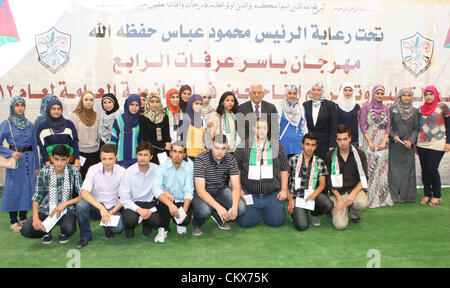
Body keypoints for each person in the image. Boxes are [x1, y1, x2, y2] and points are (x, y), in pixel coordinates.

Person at [21, 145, 82, 244]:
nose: (59, 163)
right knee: (26, 230)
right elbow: (37, 196)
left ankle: (63, 232)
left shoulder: (74, 171)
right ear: (52, 158)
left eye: (63, 160)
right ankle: (46, 231)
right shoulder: (44, 172)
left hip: (66, 210)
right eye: (56, 159)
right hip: (45, 210)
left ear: (68, 159)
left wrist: (65, 204)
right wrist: (35, 218)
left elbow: (82, 195)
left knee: (69, 228)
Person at [234, 118, 288, 228]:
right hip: (250, 193)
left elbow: (284, 168)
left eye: (264, 128)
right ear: (254, 129)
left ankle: (268, 208)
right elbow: (236, 170)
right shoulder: (243, 146)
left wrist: (283, 190)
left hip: (272, 194)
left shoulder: (277, 146)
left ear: (268, 129)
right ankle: (256, 210)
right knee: (245, 223)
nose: (261, 131)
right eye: (259, 127)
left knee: (276, 222)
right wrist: (238, 189)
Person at [192, 135, 247, 236]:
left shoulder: (231, 159)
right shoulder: (201, 159)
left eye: (223, 148)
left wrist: (234, 207)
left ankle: (216, 215)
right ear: (211, 146)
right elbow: (200, 190)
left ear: (227, 148)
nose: (220, 152)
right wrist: (219, 208)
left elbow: (236, 186)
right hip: (204, 191)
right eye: (217, 148)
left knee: (241, 208)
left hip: (221, 189)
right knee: (204, 211)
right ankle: (196, 223)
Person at [75, 144, 126, 248]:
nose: (107, 162)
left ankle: (108, 227)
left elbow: (124, 197)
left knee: (118, 228)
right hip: (96, 207)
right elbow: (84, 192)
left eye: (110, 158)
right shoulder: (93, 169)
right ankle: (85, 236)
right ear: (100, 158)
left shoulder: (122, 172)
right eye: (104, 159)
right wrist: (101, 208)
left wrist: (111, 211)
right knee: (81, 205)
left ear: (116, 157)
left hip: (113, 207)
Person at [0, 97, 39, 232]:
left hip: (30, 161)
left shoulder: (29, 124)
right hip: (16, 162)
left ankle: (23, 218)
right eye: (17, 105)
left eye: (22, 105)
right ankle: (13, 221)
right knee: (14, 190)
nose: (20, 108)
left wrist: (37, 167)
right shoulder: (7, 124)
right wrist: (9, 153)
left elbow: (35, 146)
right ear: (12, 107)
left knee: (27, 188)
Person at [325, 125, 369, 230]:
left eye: (345, 139)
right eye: (339, 140)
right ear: (336, 140)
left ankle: (354, 214)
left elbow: (364, 178)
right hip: (338, 194)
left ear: (350, 138)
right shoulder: (329, 156)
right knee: (340, 226)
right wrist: (339, 199)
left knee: (362, 203)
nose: (343, 142)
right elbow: (329, 182)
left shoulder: (360, 154)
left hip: (354, 192)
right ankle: (340, 210)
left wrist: (353, 194)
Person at [287, 132, 333, 231]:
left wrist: (314, 194)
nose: (310, 148)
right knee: (302, 226)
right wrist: (290, 200)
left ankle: (314, 213)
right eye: (307, 144)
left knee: (329, 205)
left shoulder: (320, 162)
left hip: (311, 195)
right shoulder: (293, 160)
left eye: (313, 145)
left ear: (316, 147)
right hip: (296, 198)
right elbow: (284, 183)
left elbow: (322, 184)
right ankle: (295, 212)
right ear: (302, 145)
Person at [119, 141, 163, 241]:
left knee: (156, 221)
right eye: (140, 154)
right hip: (133, 203)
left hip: (150, 203)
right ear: (137, 155)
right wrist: (139, 210)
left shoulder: (157, 170)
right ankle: (130, 227)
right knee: (129, 220)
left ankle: (146, 223)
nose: (142, 158)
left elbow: (162, 189)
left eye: (146, 155)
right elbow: (124, 198)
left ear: (151, 157)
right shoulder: (128, 172)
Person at [152, 142, 194, 239]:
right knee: (163, 199)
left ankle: (180, 224)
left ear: (184, 155)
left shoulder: (189, 168)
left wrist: (184, 210)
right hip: (167, 201)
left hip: (181, 201)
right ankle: (163, 228)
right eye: (174, 151)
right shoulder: (162, 167)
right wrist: (171, 205)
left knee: (186, 219)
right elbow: (156, 189)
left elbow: (189, 191)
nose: (177, 155)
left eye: (180, 152)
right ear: (170, 152)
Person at [416, 85, 450, 206]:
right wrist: (416, 144)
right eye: (426, 94)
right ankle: (427, 194)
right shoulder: (420, 109)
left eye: (431, 94)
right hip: (422, 143)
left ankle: (437, 195)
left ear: (436, 95)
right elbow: (418, 127)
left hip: (438, 142)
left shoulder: (443, 107)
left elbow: (449, 125)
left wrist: (448, 142)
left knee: (432, 168)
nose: (428, 97)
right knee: (425, 170)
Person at [360, 85, 392, 208]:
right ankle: (371, 199)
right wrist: (370, 142)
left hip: (383, 140)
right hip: (370, 139)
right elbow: (362, 126)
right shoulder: (366, 107)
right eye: (377, 93)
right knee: (371, 169)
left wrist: (384, 142)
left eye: (381, 93)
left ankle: (383, 199)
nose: (379, 95)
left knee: (383, 168)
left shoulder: (386, 108)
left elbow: (388, 126)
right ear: (373, 94)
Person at [388, 88, 419, 203]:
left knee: (408, 172)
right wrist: (393, 135)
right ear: (399, 97)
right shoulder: (392, 110)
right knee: (394, 172)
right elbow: (388, 127)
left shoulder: (415, 111)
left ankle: (408, 197)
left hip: (408, 146)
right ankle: (394, 197)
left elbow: (416, 128)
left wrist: (411, 140)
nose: (406, 97)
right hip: (395, 145)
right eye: (404, 95)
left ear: (411, 97)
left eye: (408, 95)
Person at [36, 98, 80, 170]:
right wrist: (47, 163)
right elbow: (42, 147)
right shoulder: (43, 126)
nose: (56, 111)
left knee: (68, 181)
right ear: (49, 110)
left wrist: (77, 160)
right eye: (53, 109)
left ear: (62, 110)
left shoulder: (69, 124)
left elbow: (74, 143)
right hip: (51, 164)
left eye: (58, 109)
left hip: (69, 163)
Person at [70, 90, 101, 179]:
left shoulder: (97, 116)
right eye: (86, 99)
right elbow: (73, 137)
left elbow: (99, 135)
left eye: (91, 100)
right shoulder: (75, 116)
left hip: (95, 153)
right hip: (80, 153)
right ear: (82, 101)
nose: (88, 102)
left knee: (93, 180)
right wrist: (76, 157)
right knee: (80, 180)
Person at [303, 82, 338, 160]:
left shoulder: (330, 105)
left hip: (325, 145)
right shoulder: (305, 105)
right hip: (309, 145)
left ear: (322, 91)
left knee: (324, 168)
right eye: (314, 89)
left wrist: (332, 145)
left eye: (319, 90)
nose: (316, 92)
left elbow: (334, 126)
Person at [110, 94, 141, 168]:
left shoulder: (140, 120)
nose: (134, 107)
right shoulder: (118, 119)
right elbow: (113, 139)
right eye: (132, 104)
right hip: (121, 158)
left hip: (136, 159)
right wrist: (113, 154)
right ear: (127, 105)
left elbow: (141, 141)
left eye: (137, 105)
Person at [140, 91, 171, 165]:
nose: (155, 104)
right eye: (152, 101)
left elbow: (167, 135)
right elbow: (145, 138)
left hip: (163, 153)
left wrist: (169, 152)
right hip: (150, 152)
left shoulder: (164, 116)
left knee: (163, 173)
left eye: (157, 101)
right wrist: (163, 146)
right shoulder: (143, 118)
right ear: (148, 102)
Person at [278, 85, 308, 158]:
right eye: (290, 93)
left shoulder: (301, 107)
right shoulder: (280, 106)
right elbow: (276, 126)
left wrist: (307, 141)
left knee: (297, 167)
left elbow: (304, 126)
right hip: (284, 143)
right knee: (284, 167)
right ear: (286, 94)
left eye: (294, 93)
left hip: (298, 144)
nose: (292, 95)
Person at [182, 94, 207, 161]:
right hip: (190, 157)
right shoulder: (185, 120)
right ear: (191, 104)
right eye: (196, 103)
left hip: (202, 156)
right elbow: (182, 141)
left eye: (200, 104)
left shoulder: (202, 120)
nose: (199, 106)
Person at [336, 82, 361, 147]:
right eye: (345, 90)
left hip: (354, 140)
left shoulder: (357, 106)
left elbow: (359, 125)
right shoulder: (335, 106)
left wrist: (360, 142)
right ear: (342, 91)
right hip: (340, 140)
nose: (348, 92)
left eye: (350, 90)